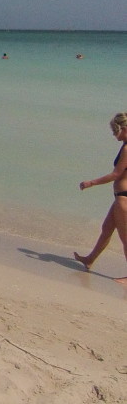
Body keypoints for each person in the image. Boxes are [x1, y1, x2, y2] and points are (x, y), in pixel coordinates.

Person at [74, 112, 127, 285]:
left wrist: (91, 182)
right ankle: (89, 259)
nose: (114, 135)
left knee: (125, 238)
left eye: (115, 131)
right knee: (106, 229)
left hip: (123, 199)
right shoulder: (125, 145)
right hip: (120, 197)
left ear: (124, 129)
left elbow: (116, 174)